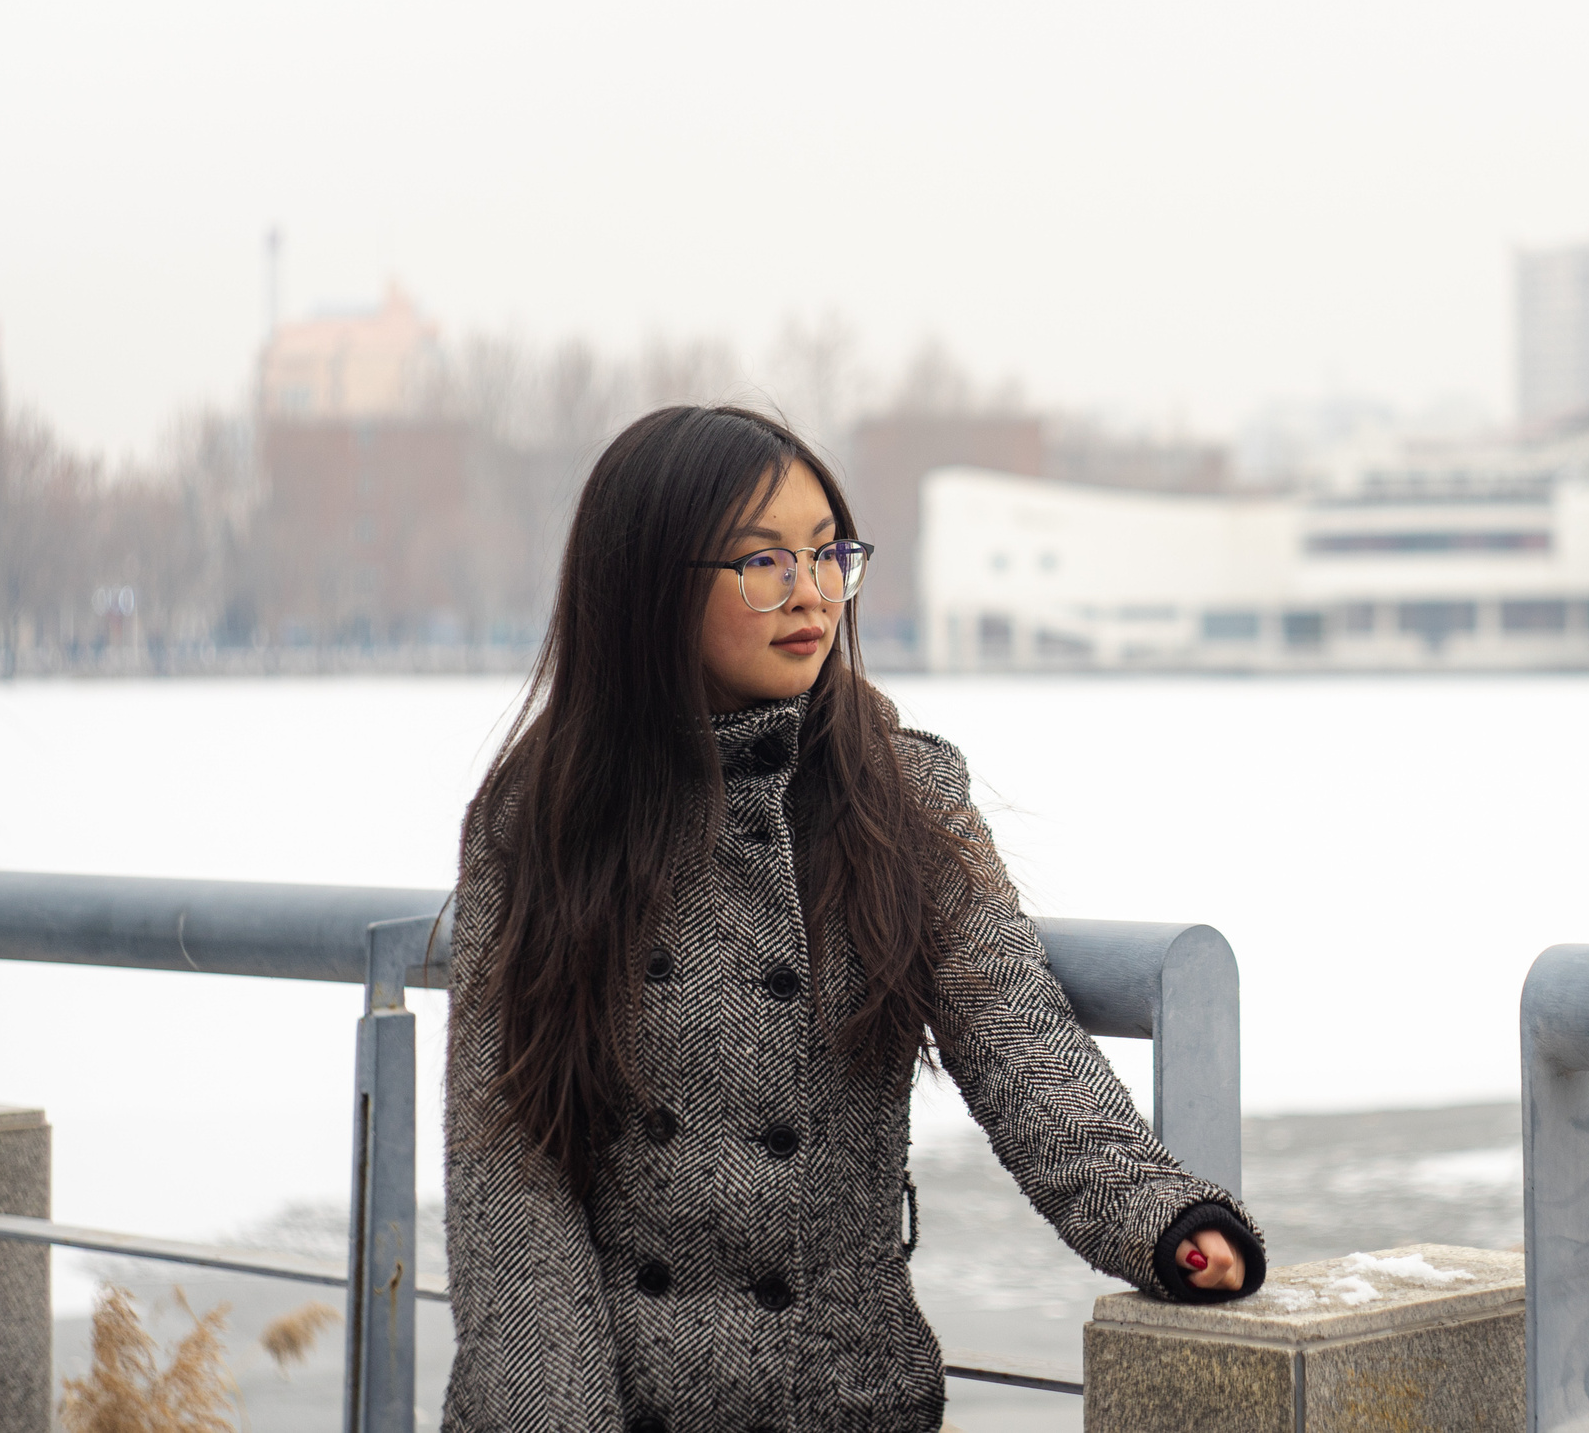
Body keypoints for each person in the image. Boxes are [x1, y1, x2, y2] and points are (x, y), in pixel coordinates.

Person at [440, 404, 1264, 1433]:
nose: (813, 594)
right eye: (764, 562)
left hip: (840, 1395)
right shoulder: (540, 820)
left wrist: (1159, 1218)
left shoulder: (898, 792)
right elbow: (510, 1170)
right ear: (648, 585)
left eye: (829, 554)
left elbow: (1018, 1039)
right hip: (617, 1396)